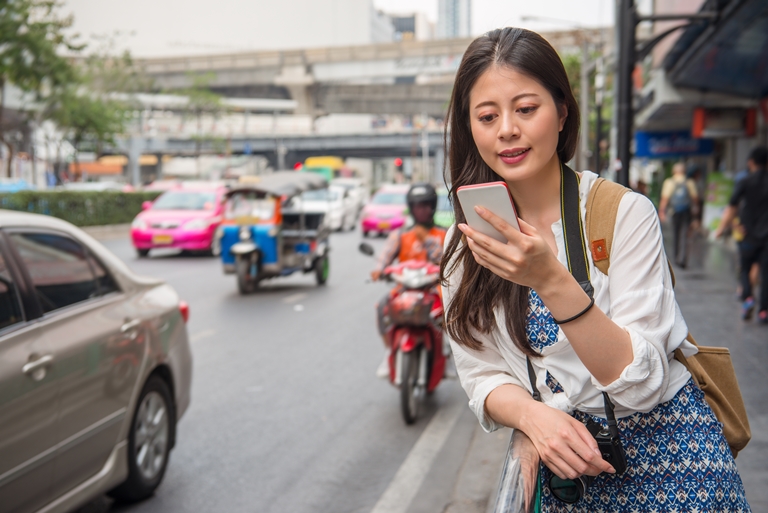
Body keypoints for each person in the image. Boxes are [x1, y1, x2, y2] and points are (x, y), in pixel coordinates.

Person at [440, 27, 750, 511]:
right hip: (570, 471)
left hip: (675, 466)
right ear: (469, 126)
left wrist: (549, 279)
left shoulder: (623, 213)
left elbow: (641, 382)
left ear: (562, 112)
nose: (506, 130)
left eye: (526, 109)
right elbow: (480, 372)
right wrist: (533, 418)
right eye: (487, 115)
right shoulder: (466, 241)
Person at [371, 183, 447, 377]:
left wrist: (427, 240)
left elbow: (447, 261)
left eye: (424, 205)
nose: (420, 210)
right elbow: (385, 256)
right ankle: (389, 350)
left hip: (434, 288)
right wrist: (379, 270)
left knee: (450, 312)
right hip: (405, 289)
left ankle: (448, 354)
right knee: (382, 308)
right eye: (416, 206)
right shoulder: (401, 234)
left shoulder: (444, 234)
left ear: (432, 207)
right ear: (411, 209)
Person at [714, 146, 768, 324]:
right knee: (765, 273)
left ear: (750, 162)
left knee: (744, 269)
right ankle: (763, 312)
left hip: (747, 234)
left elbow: (732, 207)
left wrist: (723, 227)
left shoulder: (744, 181)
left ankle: (748, 298)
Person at [658, 162, 699, 268]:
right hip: (686, 212)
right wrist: (696, 209)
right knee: (685, 234)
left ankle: (676, 257)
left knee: (675, 234)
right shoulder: (689, 182)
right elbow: (695, 198)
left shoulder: (669, 182)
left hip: (674, 212)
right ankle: (683, 258)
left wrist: (662, 212)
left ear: (674, 171)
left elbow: (665, 199)